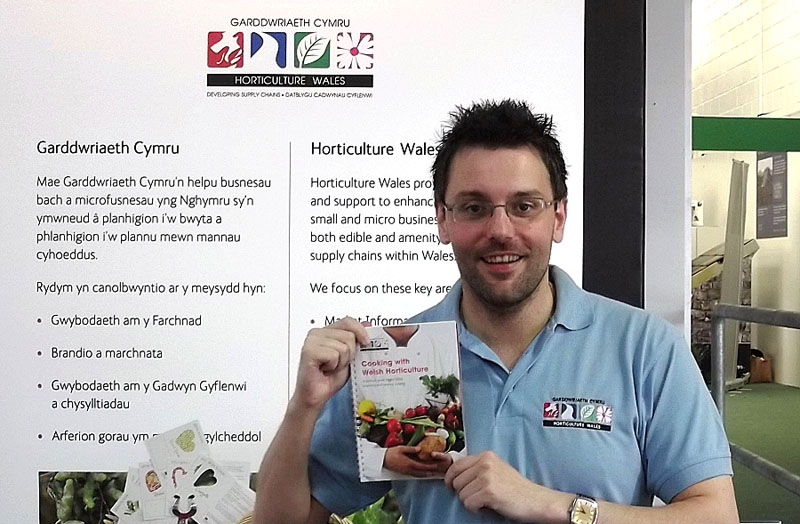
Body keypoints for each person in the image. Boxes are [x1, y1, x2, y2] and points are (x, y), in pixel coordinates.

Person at [255, 100, 739, 524]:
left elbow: (714, 514)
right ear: (443, 219)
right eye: (473, 207)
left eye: (524, 206)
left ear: (559, 216)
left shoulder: (643, 347)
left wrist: (555, 506)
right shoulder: (396, 361)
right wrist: (304, 406)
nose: (501, 230)